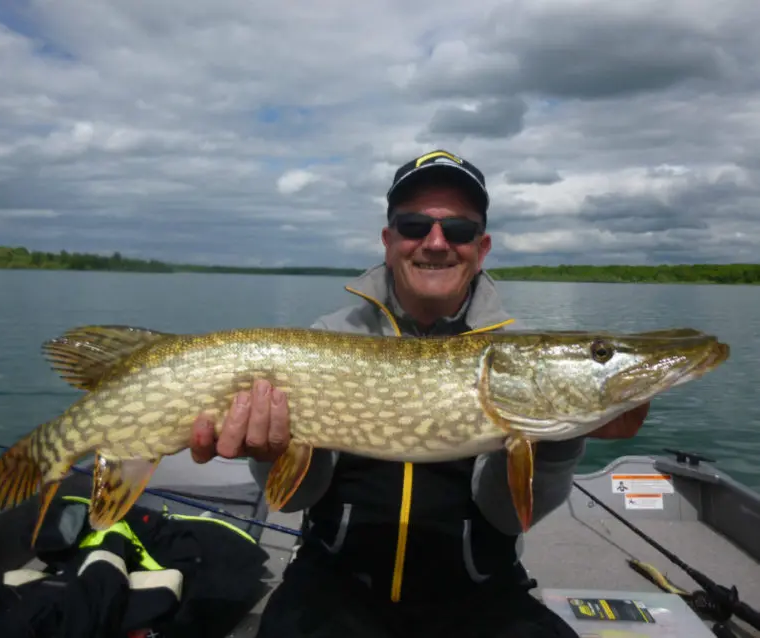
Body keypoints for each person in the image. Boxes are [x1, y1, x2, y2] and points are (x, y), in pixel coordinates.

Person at [189, 149, 650, 638]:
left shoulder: (516, 355)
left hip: (480, 591)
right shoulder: (327, 339)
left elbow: (508, 515)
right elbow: (295, 497)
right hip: (335, 583)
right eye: (414, 227)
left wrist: (559, 435)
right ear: (389, 242)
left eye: (458, 230)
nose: (435, 243)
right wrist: (270, 454)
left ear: (482, 247)